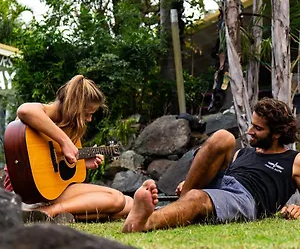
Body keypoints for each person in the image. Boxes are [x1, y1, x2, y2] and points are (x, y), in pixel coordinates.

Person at [122, 97, 300, 232]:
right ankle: (183, 197)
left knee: (197, 198)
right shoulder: (243, 152)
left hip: (245, 197)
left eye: (258, 129)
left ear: (276, 134)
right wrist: (192, 181)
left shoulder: (293, 160)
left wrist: (297, 208)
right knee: (224, 137)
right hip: (223, 184)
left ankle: (145, 222)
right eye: (252, 125)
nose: (249, 132)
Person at [4, 75, 133, 223]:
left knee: (128, 203)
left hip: (51, 191)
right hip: (29, 192)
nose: (89, 119)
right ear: (75, 107)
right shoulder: (40, 114)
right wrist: (65, 142)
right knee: (116, 199)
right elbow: (24, 110)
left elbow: (54, 167)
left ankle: (48, 215)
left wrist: (82, 163)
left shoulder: (69, 128)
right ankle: (45, 212)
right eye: (87, 114)